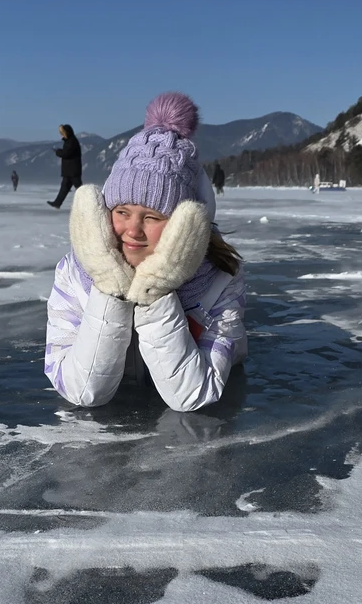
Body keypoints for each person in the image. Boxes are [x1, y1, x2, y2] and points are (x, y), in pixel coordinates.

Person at [45, 92, 247, 412]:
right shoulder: (75, 273)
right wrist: (109, 283)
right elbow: (82, 392)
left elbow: (192, 396)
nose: (133, 230)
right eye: (122, 212)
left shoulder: (219, 282)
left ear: (184, 226)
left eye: (152, 216)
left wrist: (158, 286)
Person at [48, 124, 82, 208]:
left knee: (80, 189)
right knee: (65, 187)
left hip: (72, 171)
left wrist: (57, 152)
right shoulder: (69, 141)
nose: (62, 135)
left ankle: (88, 203)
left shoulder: (72, 141)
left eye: (62, 133)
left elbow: (66, 153)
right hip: (69, 170)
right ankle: (57, 203)